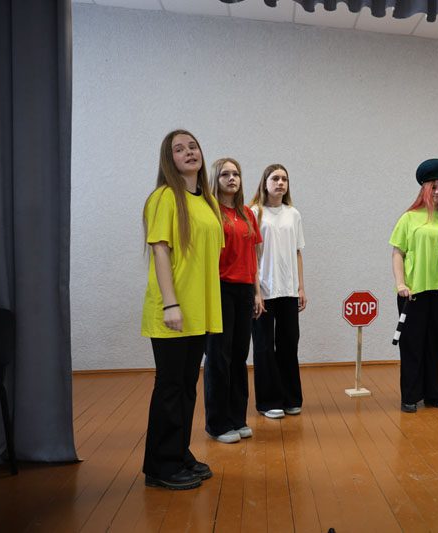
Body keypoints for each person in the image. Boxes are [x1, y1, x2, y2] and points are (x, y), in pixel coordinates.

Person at [141, 129, 223, 490]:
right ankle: (160, 466)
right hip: (173, 310)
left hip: (198, 310)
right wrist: (171, 303)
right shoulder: (164, 197)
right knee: (170, 387)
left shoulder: (208, 202)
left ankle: (178, 452)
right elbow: (160, 250)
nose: (189, 152)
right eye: (179, 149)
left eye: (193, 146)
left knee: (187, 386)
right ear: (168, 159)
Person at [389, 158, 438, 413]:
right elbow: (397, 253)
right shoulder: (409, 218)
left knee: (437, 341)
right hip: (413, 290)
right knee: (412, 342)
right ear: (424, 188)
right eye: (433, 187)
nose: (437, 192)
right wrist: (400, 284)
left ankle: (435, 394)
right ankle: (410, 395)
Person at [203, 158, 264, 443]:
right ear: (215, 179)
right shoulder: (211, 212)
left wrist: (257, 292)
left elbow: (252, 257)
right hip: (219, 288)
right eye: (225, 174)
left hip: (244, 290)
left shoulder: (247, 214)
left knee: (239, 356)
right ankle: (217, 424)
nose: (232, 178)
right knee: (219, 357)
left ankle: (237, 418)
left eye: (236, 174)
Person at [249, 164, 306, 419]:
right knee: (263, 346)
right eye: (275, 178)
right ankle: (268, 402)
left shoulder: (293, 214)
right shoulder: (255, 212)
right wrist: (255, 292)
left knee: (288, 343)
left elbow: (297, 252)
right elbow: (250, 255)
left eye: (284, 178)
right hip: (263, 290)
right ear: (265, 182)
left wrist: (301, 287)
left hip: (289, 290)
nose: (280, 182)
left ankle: (290, 398)